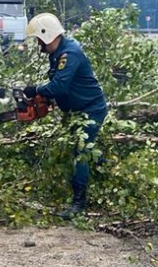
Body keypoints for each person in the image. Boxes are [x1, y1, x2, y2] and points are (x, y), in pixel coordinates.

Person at [22, 12, 108, 218]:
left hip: (91, 109)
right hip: (75, 112)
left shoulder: (70, 54)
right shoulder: (58, 54)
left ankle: (79, 204)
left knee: (81, 152)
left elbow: (59, 86)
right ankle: (109, 172)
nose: (39, 45)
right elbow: (59, 85)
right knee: (85, 150)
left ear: (47, 35)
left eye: (39, 40)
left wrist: (36, 90)